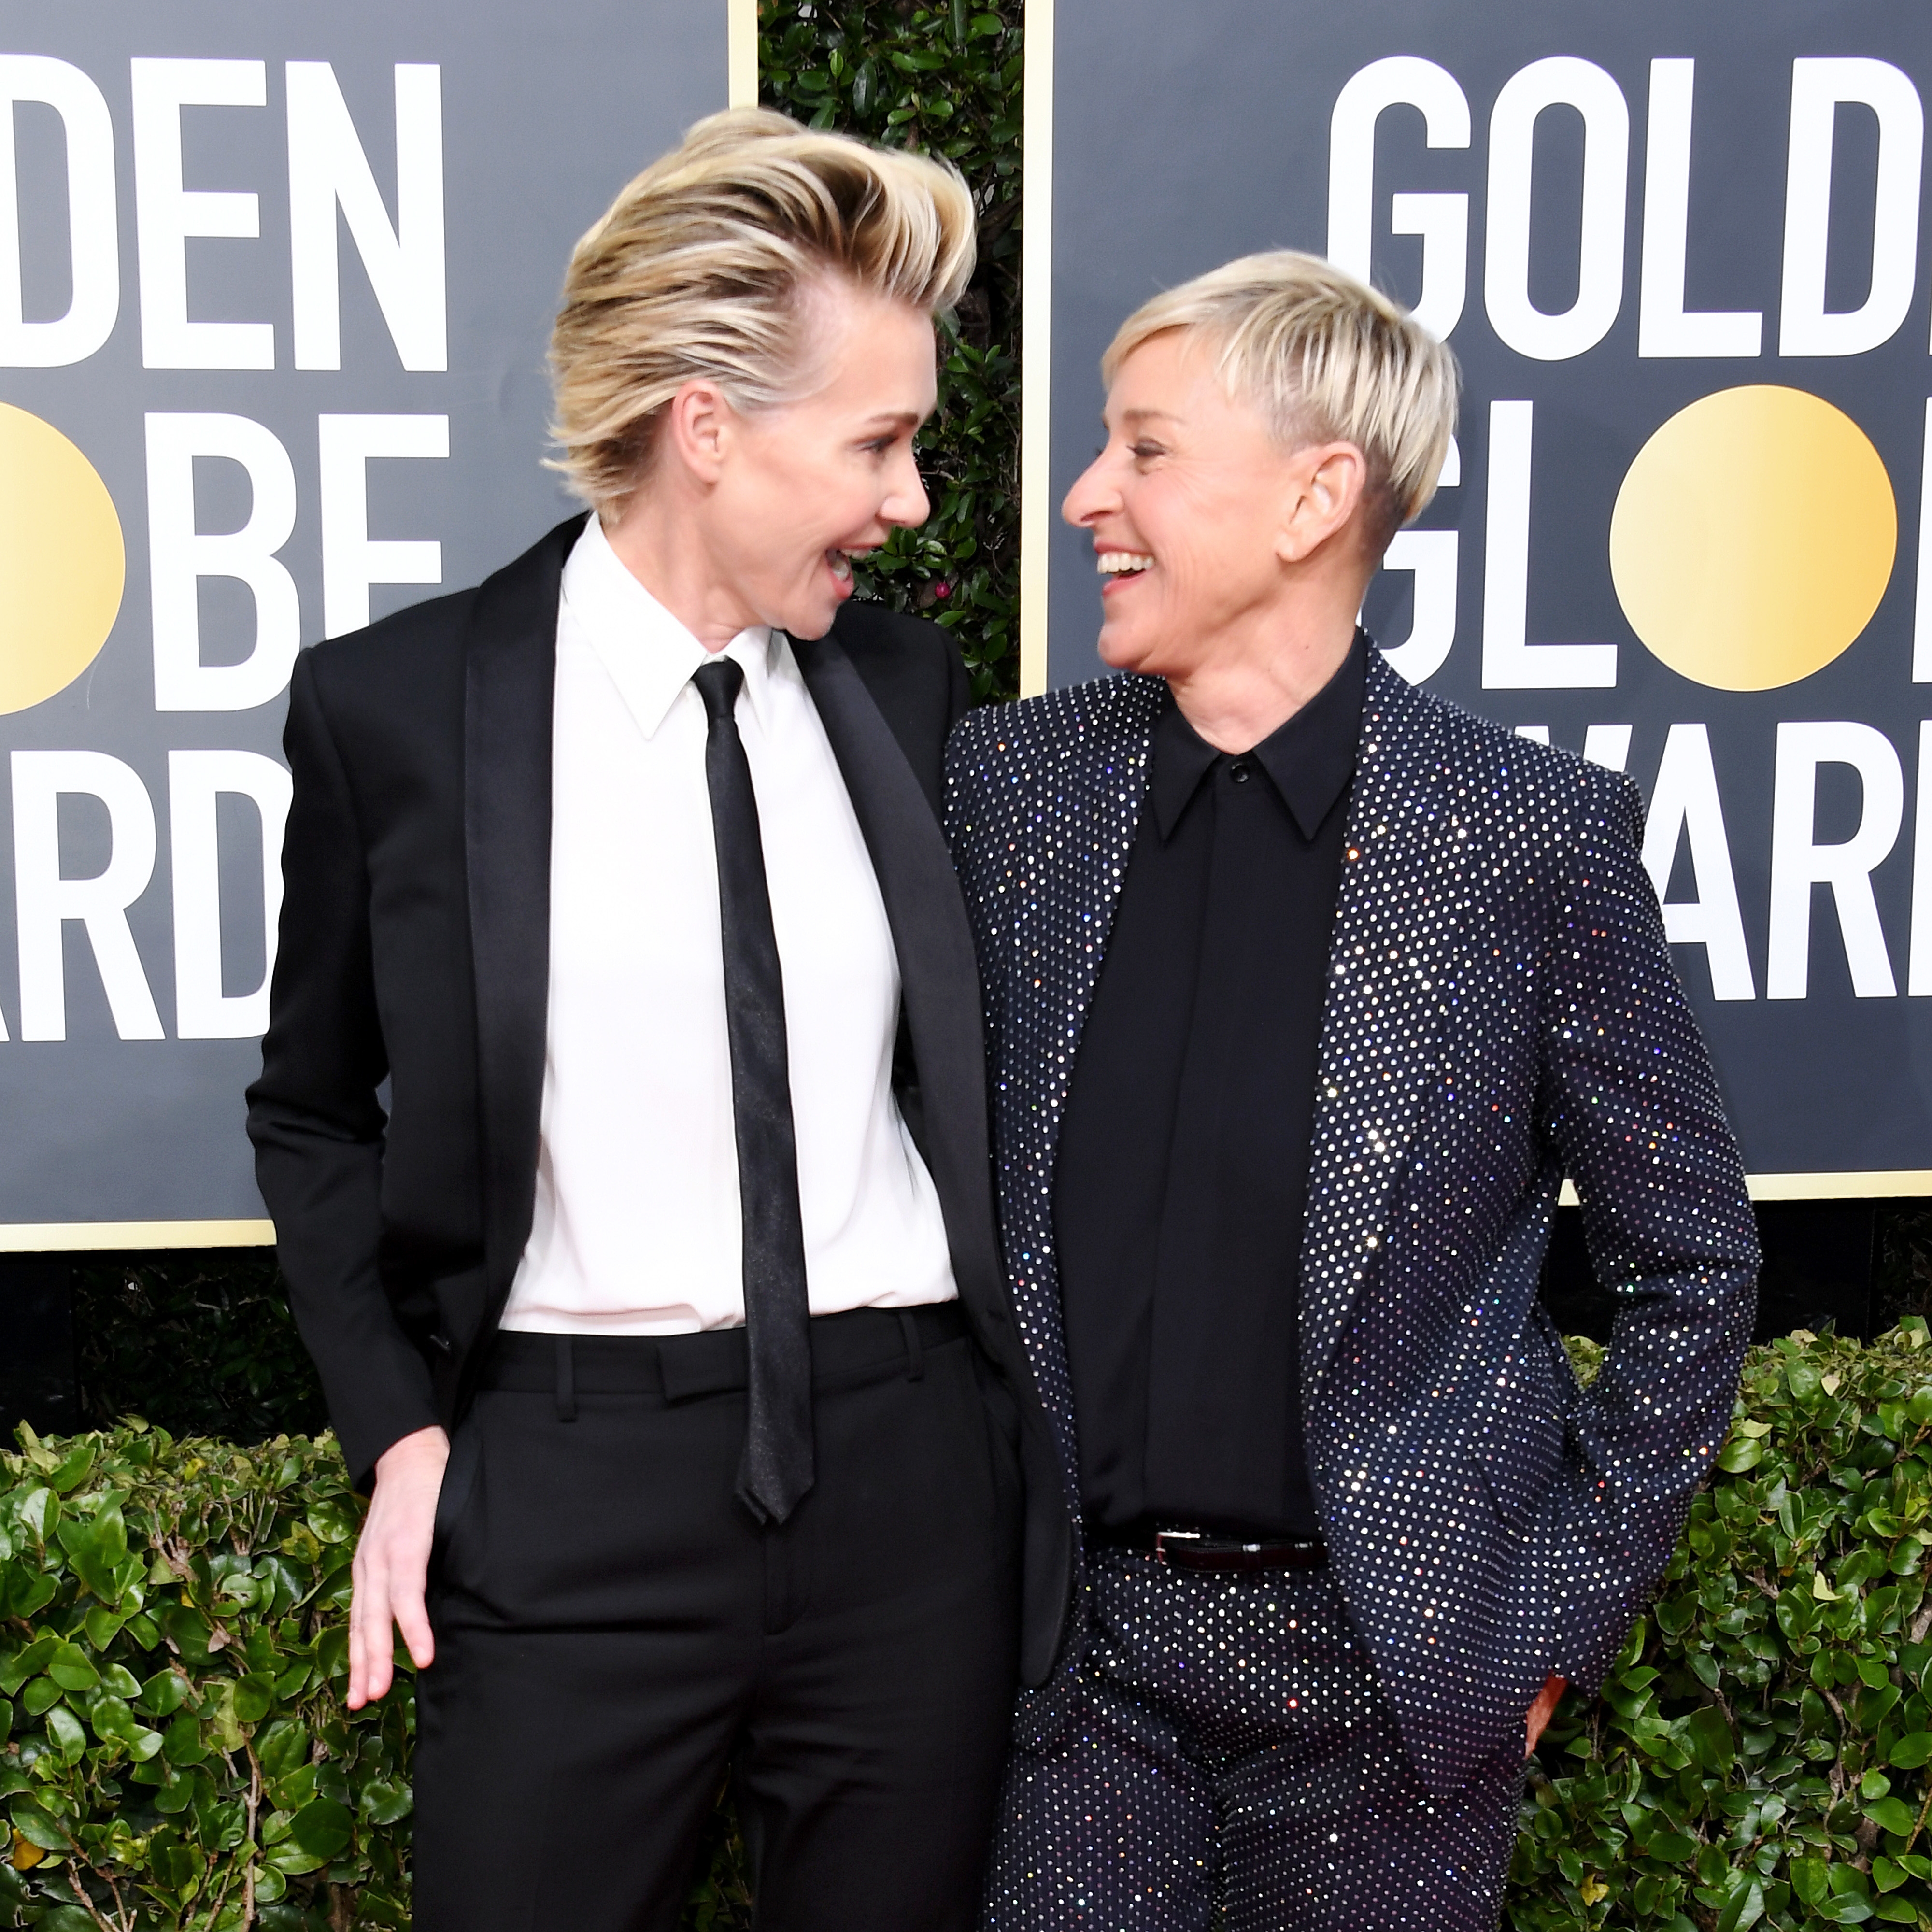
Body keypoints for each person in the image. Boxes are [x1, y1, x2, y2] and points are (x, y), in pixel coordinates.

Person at [247, 109, 1071, 1932]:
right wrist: (399, 1432)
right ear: (708, 427)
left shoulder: (907, 687)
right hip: (570, 1499)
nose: (913, 502)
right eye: (878, 443)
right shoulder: (398, 713)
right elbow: (308, 1107)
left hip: (907, 1486)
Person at [944, 251, 1759, 1931]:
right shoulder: (1010, 794)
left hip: (1391, 1694)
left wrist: (1543, 1618)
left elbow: (1693, 1262)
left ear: (1317, 498)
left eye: (1147, 450)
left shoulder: (1525, 838)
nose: (1089, 495)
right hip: (1081, 1684)